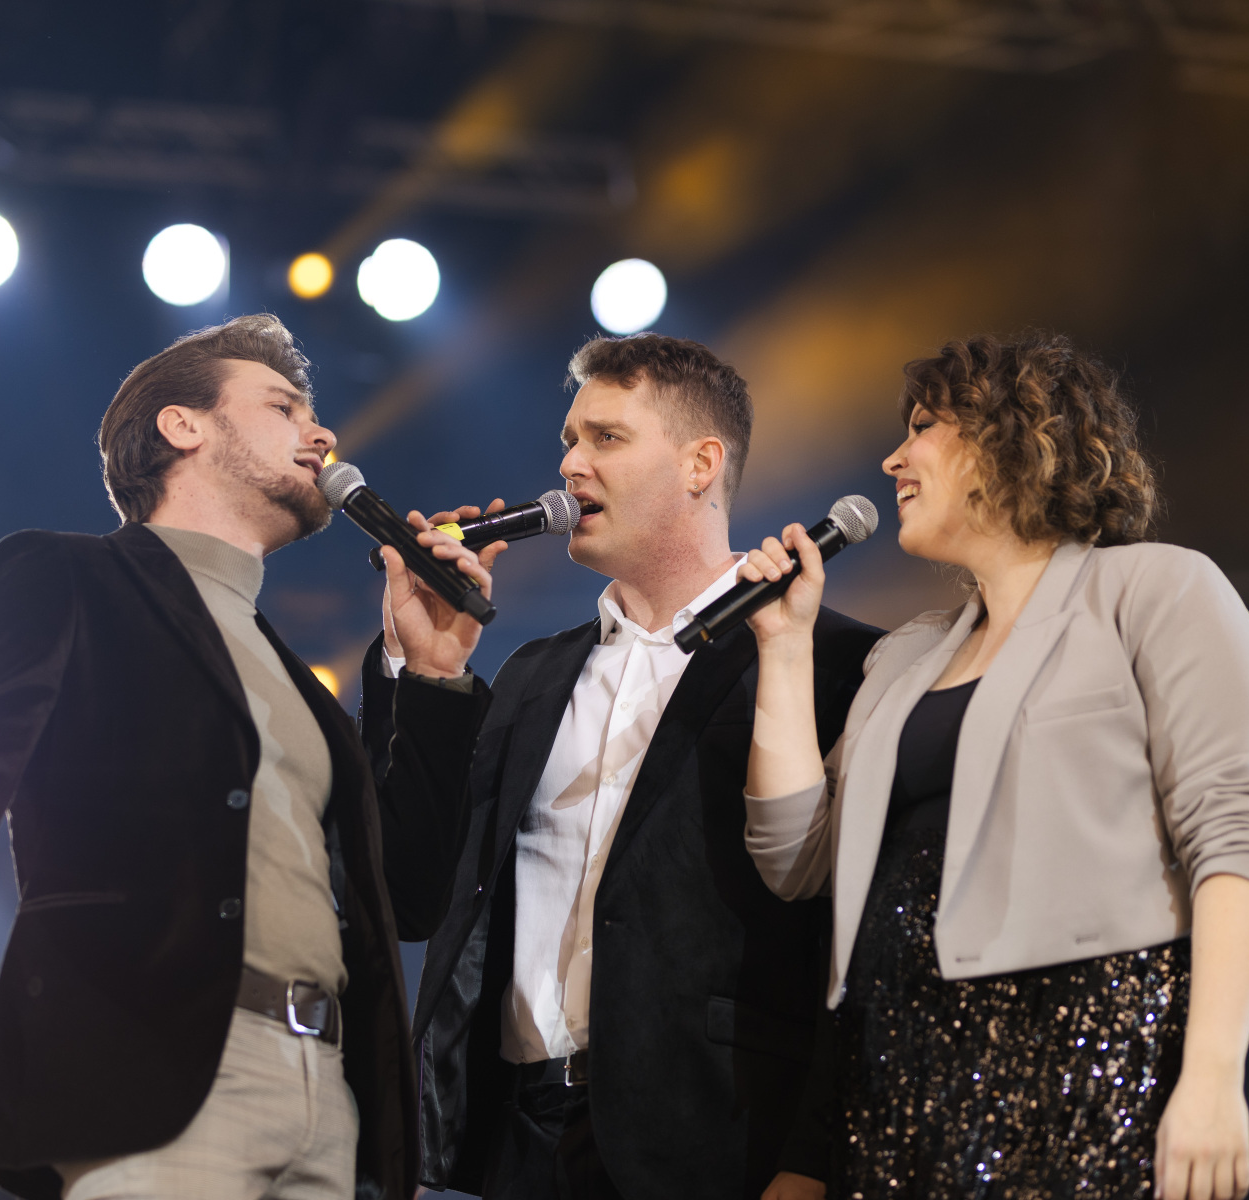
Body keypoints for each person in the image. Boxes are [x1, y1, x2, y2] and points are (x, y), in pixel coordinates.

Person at [0, 315, 494, 1200]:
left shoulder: (301, 688)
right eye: (283, 407)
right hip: (155, 1069)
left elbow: (408, 897)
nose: (321, 434)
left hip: (328, 1095)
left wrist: (430, 676)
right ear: (182, 425)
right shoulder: (69, 578)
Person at [739, 332, 1249, 1200]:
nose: (892, 459)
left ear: (1009, 435)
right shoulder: (905, 658)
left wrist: (1213, 1077)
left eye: (922, 426)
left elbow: (1236, 837)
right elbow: (795, 859)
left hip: (1080, 1079)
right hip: (897, 1093)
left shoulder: (1157, 591)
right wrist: (783, 644)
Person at [361, 333, 883, 1200]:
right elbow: (415, 894)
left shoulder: (834, 664)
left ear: (700, 464)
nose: (571, 465)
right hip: (518, 1141)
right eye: (570, 440)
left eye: (606, 438)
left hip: (716, 1138)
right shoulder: (533, 673)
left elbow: (856, 938)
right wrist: (428, 672)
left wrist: (814, 1152)